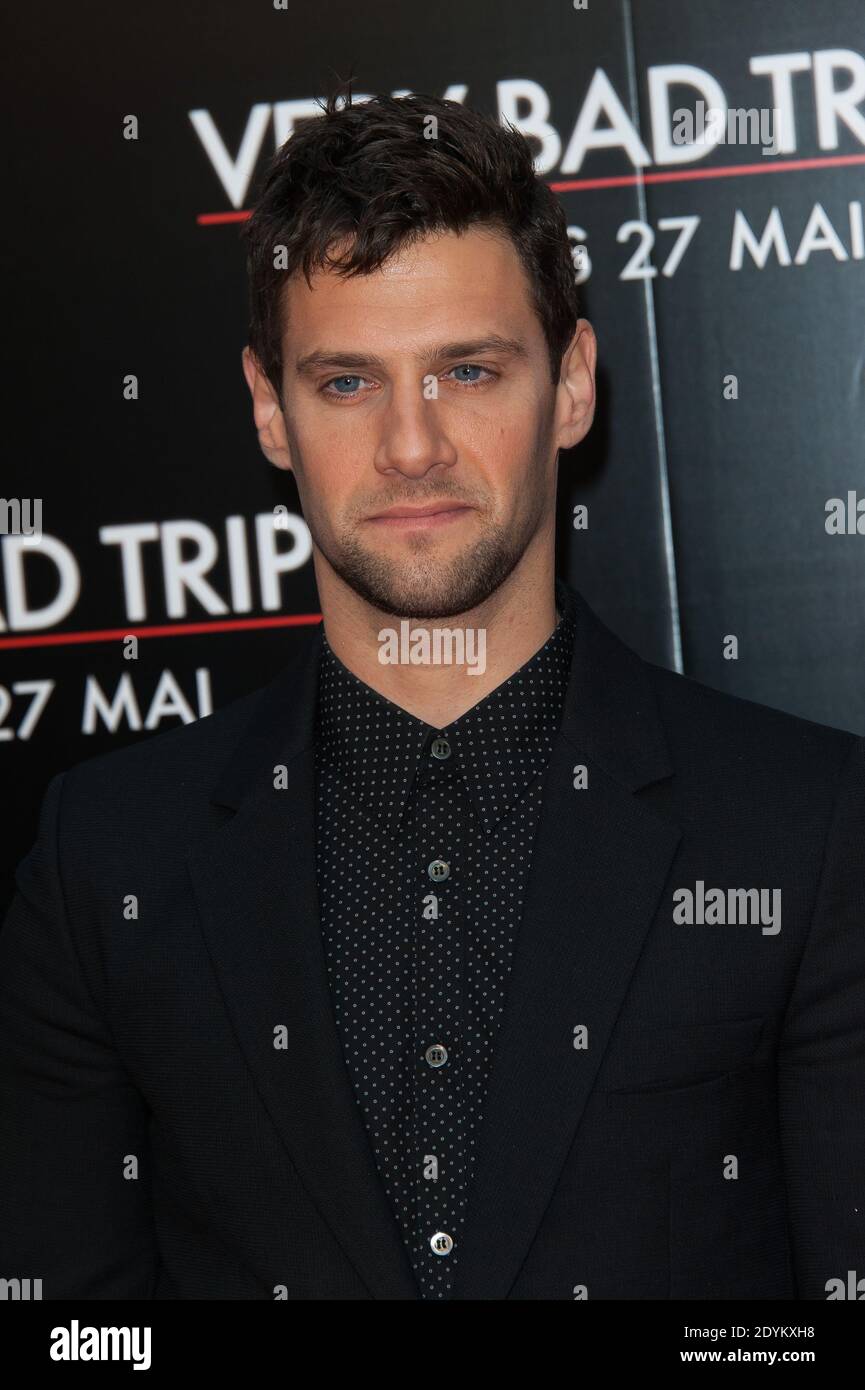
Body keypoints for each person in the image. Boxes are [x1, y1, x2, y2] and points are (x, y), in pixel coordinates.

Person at [1, 86, 863, 1301]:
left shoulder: (805, 834)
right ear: (268, 408)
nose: (412, 446)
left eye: (466, 369)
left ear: (569, 385)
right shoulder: (108, 864)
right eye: (348, 383)